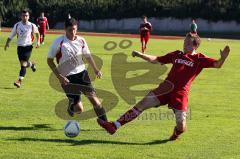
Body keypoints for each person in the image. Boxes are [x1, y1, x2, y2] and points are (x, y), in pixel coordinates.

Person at [97, 32, 230, 140]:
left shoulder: (200, 59)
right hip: (164, 88)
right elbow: (157, 60)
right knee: (142, 104)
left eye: (187, 42)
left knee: (181, 125)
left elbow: (217, 65)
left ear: (195, 46)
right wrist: (140, 54)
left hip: (180, 94)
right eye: (184, 41)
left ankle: (176, 133)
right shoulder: (177, 54)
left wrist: (223, 58)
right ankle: (114, 125)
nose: (184, 44)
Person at [47, 18, 108, 121]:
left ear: (77, 28)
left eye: (74, 29)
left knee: (95, 101)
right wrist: (60, 77)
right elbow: (49, 61)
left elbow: (87, 56)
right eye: (70, 30)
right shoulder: (58, 42)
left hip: (82, 74)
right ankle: (71, 106)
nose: (72, 32)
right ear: (65, 29)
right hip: (67, 78)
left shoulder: (81, 40)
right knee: (79, 109)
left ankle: (106, 124)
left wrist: (96, 69)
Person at [4, 10, 40, 88]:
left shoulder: (32, 25)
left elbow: (37, 34)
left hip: (28, 47)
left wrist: (38, 42)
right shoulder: (17, 25)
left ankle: (19, 81)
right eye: (23, 16)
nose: (25, 17)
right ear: (21, 16)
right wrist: (7, 43)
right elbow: (11, 35)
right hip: (20, 47)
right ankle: (31, 64)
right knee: (23, 64)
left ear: (28, 17)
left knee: (23, 65)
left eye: (26, 16)